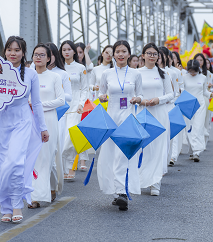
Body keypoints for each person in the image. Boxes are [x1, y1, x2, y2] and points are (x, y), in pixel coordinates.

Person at [0, 36, 48, 224]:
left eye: (17, 50)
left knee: (15, 162)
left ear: (23, 53)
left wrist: (42, 128)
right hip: (1, 122)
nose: (12, 53)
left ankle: (16, 205)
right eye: (9, 50)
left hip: (22, 121)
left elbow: (37, 103)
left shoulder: (30, 74)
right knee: (1, 165)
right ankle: (5, 209)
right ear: (5, 51)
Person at [98, 40, 143, 211]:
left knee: (122, 154)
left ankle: (122, 191)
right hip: (111, 117)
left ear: (129, 54)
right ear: (113, 54)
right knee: (110, 154)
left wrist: (137, 99)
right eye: (117, 51)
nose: (121, 54)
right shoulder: (107, 74)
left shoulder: (135, 74)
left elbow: (140, 94)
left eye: (124, 51)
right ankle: (116, 192)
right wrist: (102, 97)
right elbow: (101, 92)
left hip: (128, 117)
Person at [30, 44, 65, 208]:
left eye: (42, 55)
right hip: (30, 120)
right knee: (34, 158)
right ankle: (36, 195)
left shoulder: (54, 77)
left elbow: (61, 100)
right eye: (36, 54)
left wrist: (39, 105)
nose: (38, 57)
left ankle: (49, 188)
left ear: (49, 58)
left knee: (47, 158)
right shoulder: (27, 76)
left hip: (49, 120)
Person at [138, 43, 174, 196]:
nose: (152, 56)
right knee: (144, 148)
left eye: (154, 54)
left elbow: (171, 94)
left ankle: (155, 183)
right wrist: (142, 101)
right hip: (142, 113)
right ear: (143, 55)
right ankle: (142, 179)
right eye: (149, 53)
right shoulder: (136, 73)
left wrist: (158, 100)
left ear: (158, 57)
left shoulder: (164, 74)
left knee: (159, 147)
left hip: (159, 113)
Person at [45, 42, 72, 201]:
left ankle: (52, 186)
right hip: (37, 115)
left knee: (53, 152)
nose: (46, 58)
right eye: (41, 54)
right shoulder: (34, 72)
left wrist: (54, 97)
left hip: (56, 115)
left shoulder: (61, 74)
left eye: (49, 54)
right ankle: (39, 189)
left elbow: (68, 96)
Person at [60, 40, 88, 179]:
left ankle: (70, 167)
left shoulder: (80, 67)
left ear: (74, 52)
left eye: (69, 49)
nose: (66, 52)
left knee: (70, 138)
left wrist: (81, 104)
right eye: (64, 49)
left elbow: (85, 88)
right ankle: (62, 168)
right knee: (61, 138)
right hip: (61, 107)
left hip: (76, 107)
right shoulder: (58, 68)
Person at [183, 60, 213, 162]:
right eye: (190, 71)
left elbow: (204, 91)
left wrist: (211, 94)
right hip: (188, 105)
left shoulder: (202, 77)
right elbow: (180, 90)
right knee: (189, 129)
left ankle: (197, 152)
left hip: (200, 105)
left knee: (198, 127)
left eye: (194, 71)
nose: (192, 73)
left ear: (198, 69)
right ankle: (191, 149)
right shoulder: (184, 77)